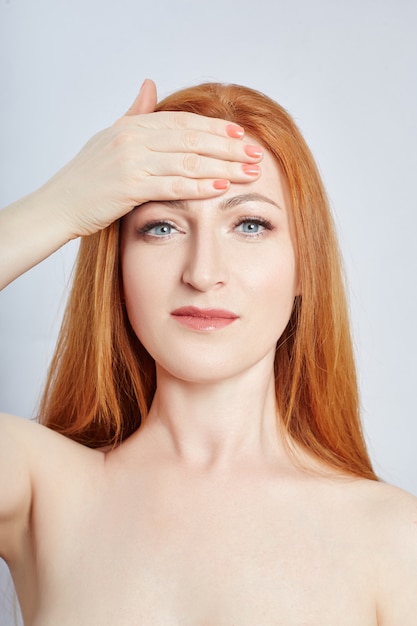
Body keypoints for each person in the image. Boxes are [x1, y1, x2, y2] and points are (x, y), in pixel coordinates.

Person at [0, 78, 416, 626]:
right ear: (118, 266)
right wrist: (63, 204)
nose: (202, 273)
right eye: (162, 227)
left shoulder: (394, 539)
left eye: (249, 224)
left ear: (303, 267)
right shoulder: (40, 490)